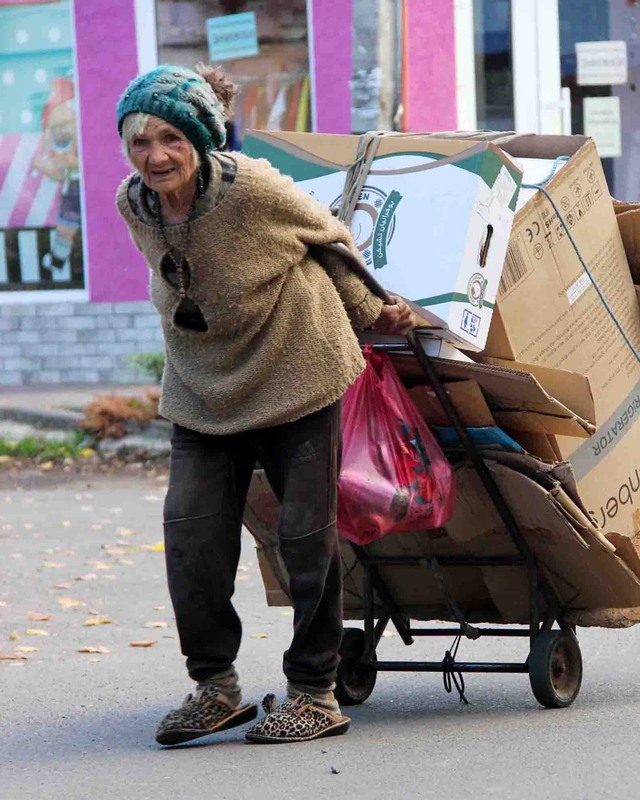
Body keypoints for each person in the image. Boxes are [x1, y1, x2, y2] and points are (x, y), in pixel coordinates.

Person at [115, 63, 416, 746]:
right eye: (140, 142)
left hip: (295, 369)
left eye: (170, 139)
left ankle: (315, 691)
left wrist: (374, 311)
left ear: (199, 140)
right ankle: (214, 688)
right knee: (191, 535)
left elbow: (327, 236)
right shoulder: (132, 203)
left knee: (305, 537)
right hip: (202, 387)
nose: (156, 156)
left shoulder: (250, 189)